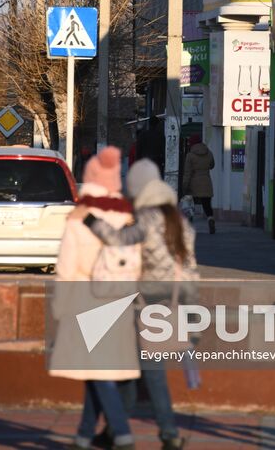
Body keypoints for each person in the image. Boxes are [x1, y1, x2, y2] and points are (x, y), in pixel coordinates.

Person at [78, 158, 197, 450]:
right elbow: (191, 270)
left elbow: (120, 240)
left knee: (147, 374)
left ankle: (164, 434)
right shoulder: (180, 221)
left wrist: (93, 222)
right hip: (173, 303)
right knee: (138, 372)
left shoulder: (147, 218)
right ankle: (114, 432)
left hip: (145, 306)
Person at [50, 146, 137, 450]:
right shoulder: (127, 218)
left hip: (85, 301)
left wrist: (60, 311)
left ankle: (122, 433)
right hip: (120, 301)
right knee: (98, 371)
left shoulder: (79, 217)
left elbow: (65, 268)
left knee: (99, 374)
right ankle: (84, 435)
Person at [182, 134, 216, 233]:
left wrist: (184, 186)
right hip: (206, 181)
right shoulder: (208, 153)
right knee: (207, 204)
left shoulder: (190, 155)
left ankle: (189, 224)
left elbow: (187, 173)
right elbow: (212, 165)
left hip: (193, 183)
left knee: (189, 204)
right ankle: (210, 219)